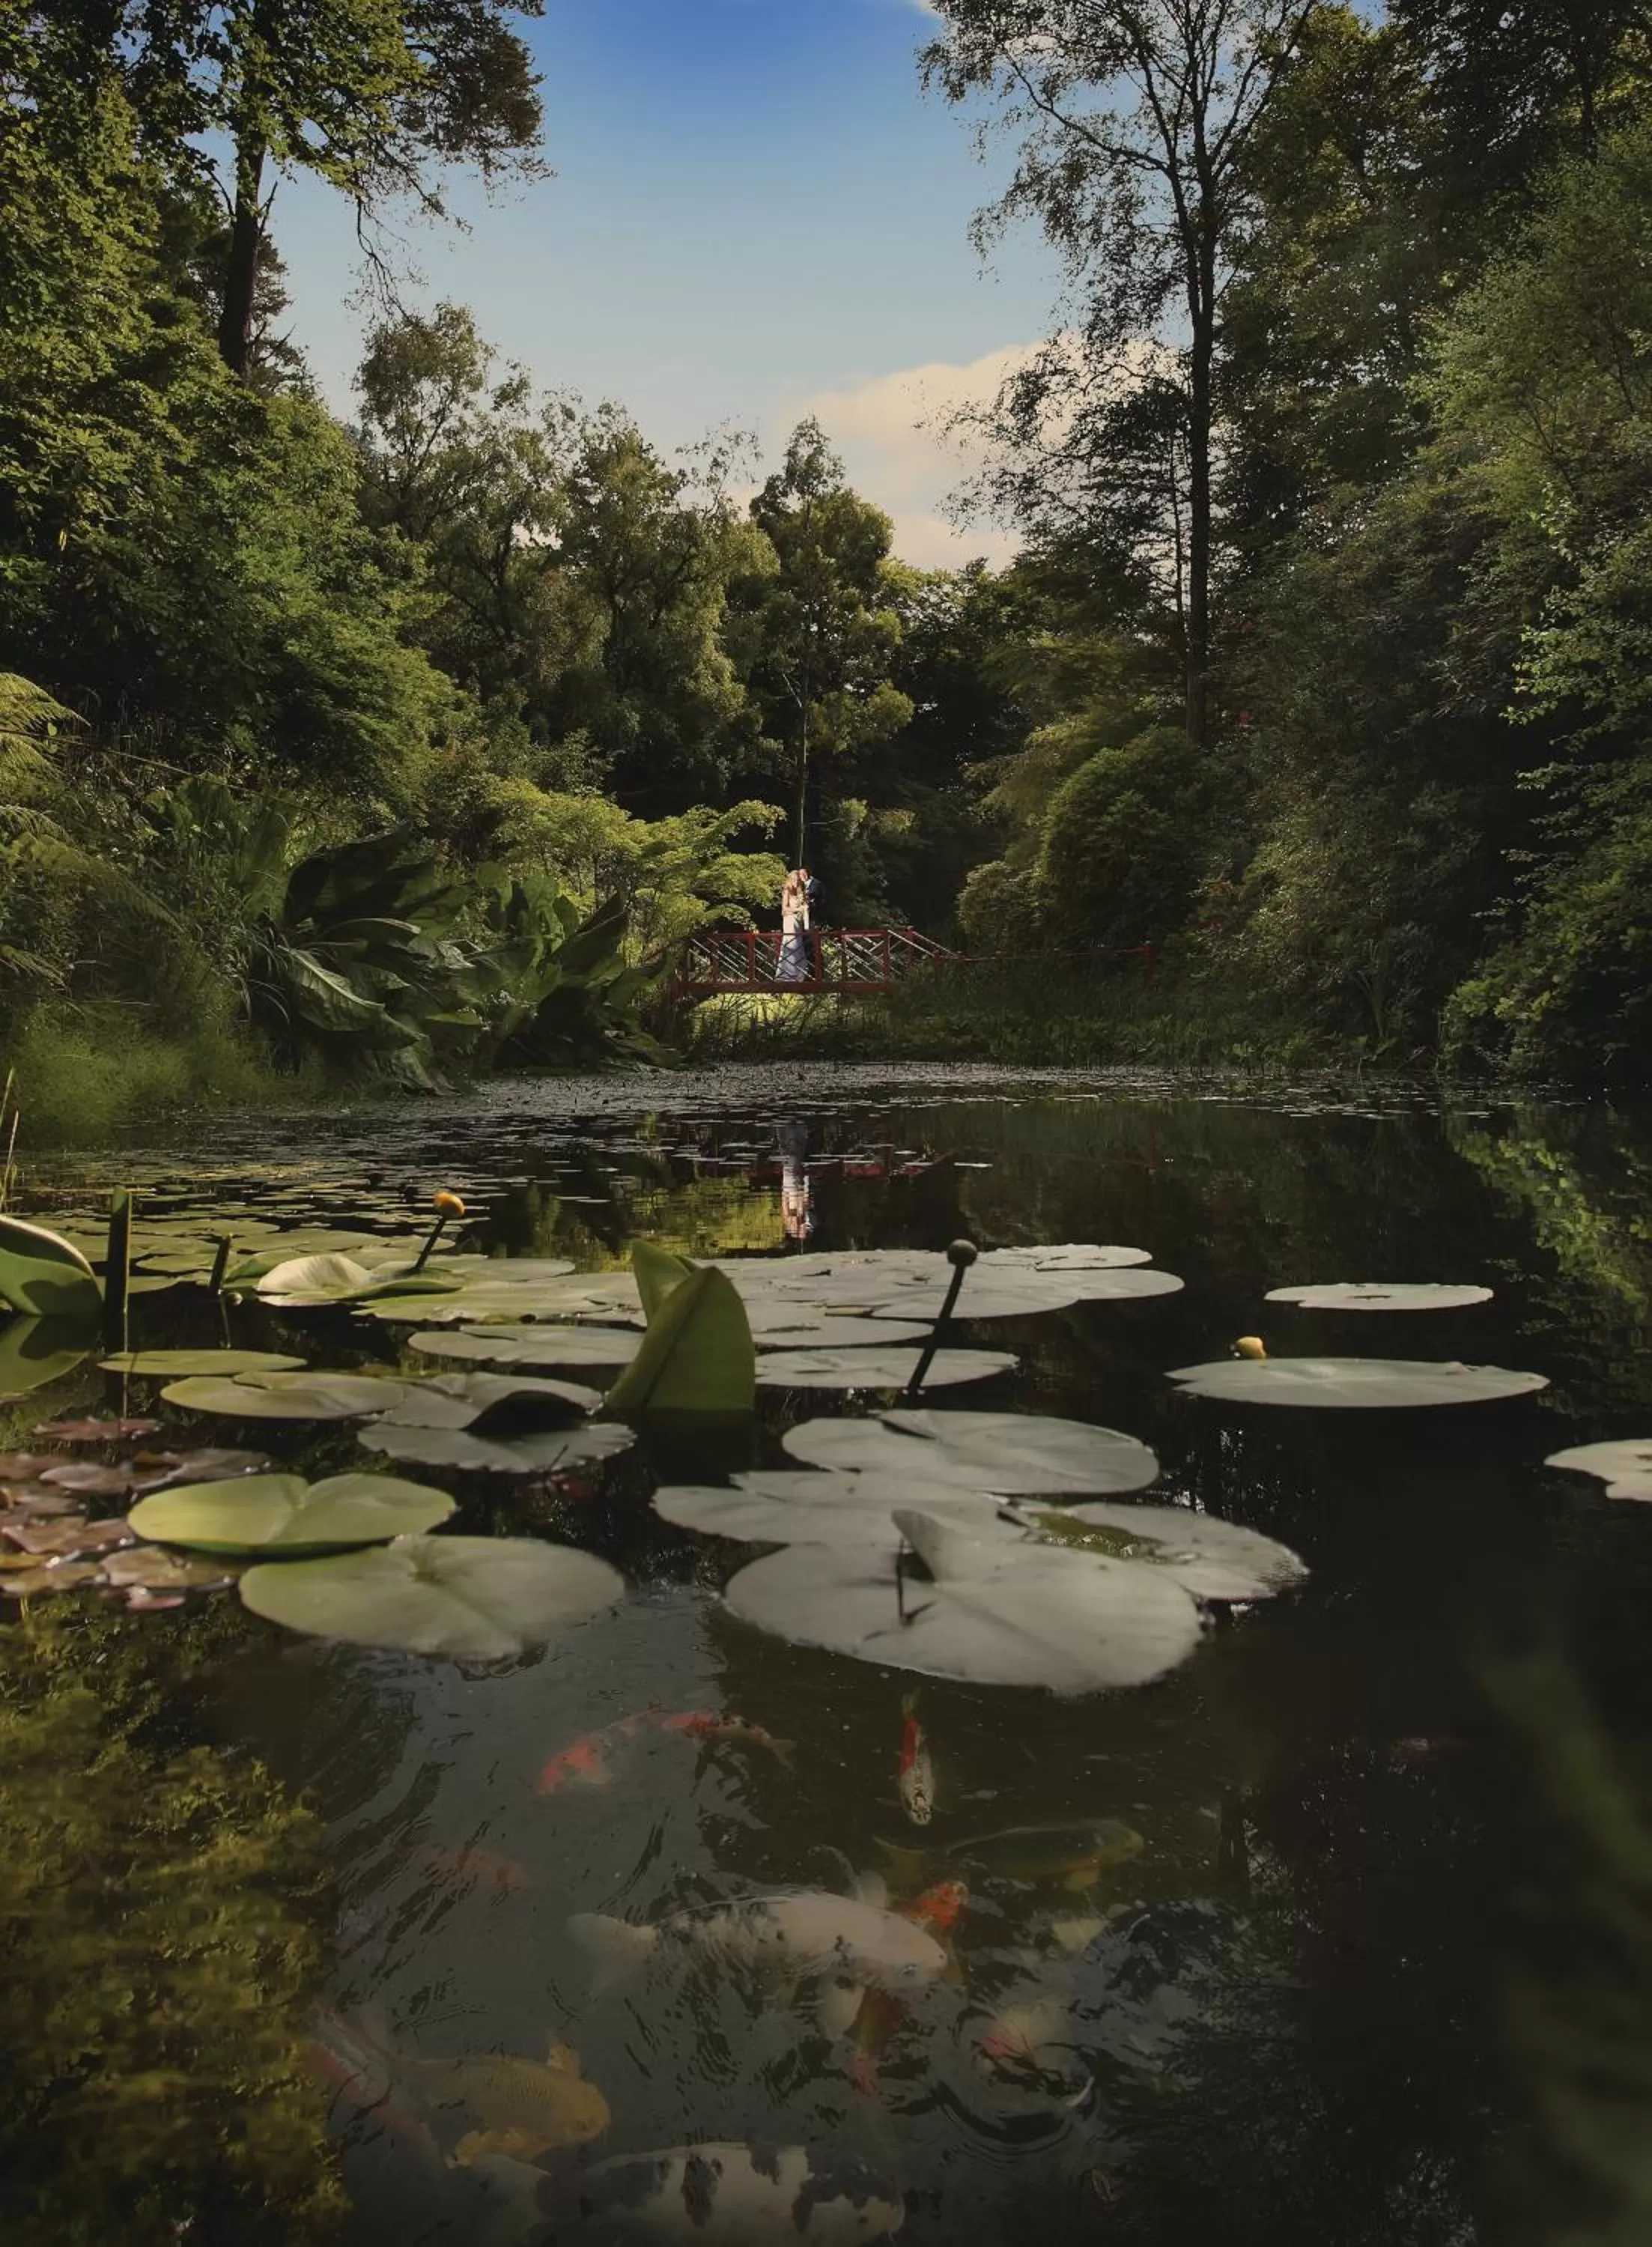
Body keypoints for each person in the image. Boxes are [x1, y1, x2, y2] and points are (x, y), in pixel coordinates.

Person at [774, 868, 810, 983]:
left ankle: (799, 974)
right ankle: (787, 975)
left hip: (798, 922)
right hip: (790, 920)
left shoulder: (800, 891)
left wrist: (804, 907)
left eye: (798, 880)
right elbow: (784, 909)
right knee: (791, 944)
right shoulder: (787, 891)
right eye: (794, 880)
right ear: (790, 880)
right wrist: (797, 909)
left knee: (798, 945)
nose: (796, 882)